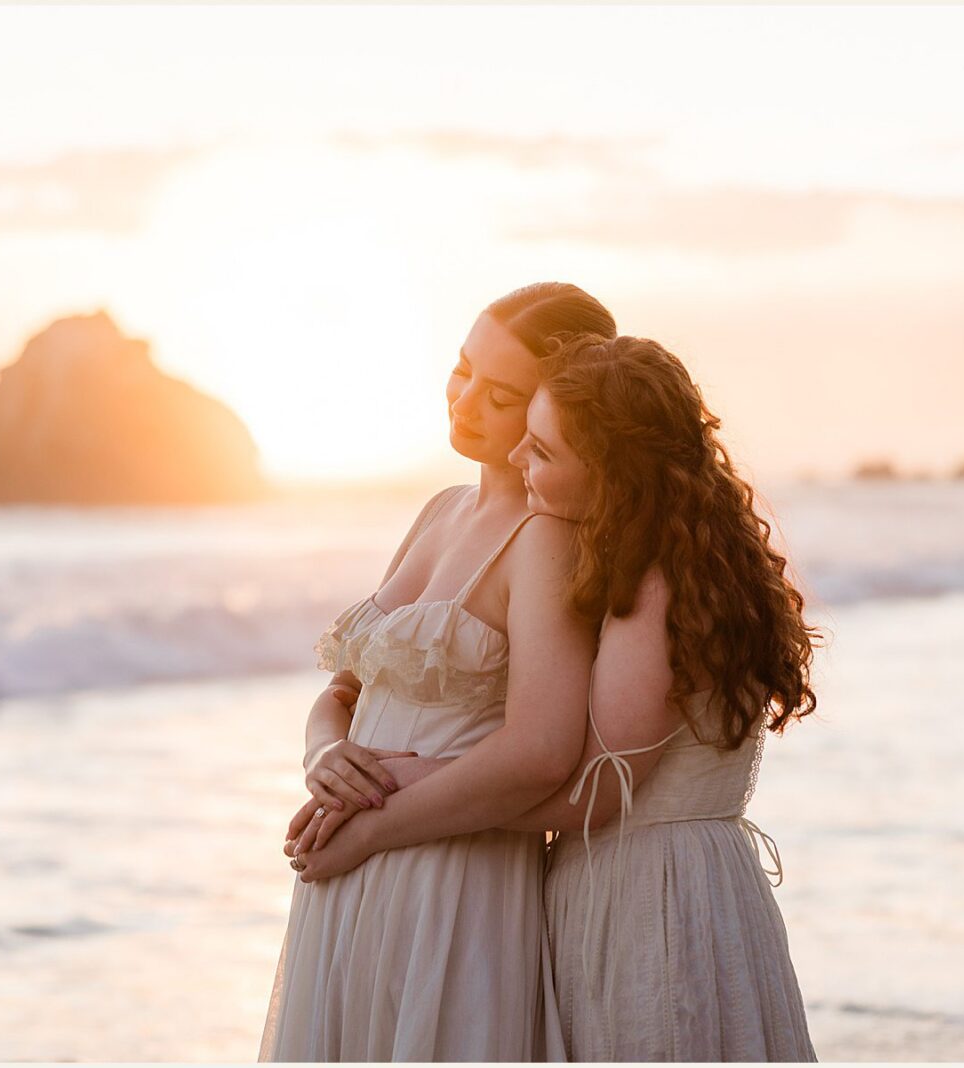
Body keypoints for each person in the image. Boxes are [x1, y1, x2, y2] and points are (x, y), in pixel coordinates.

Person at [294, 333, 822, 1061]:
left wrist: (403, 796)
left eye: (543, 451)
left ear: (613, 475)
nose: (517, 459)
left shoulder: (651, 584)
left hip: (647, 901)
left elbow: (602, 788)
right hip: (673, 883)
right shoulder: (689, 561)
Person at [258, 283, 617, 1061]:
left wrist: (370, 833)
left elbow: (540, 752)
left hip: (450, 883)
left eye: (502, 395)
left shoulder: (544, 539)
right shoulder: (439, 510)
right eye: (462, 370)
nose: (465, 401)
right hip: (350, 874)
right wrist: (325, 756)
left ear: (557, 407)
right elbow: (345, 689)